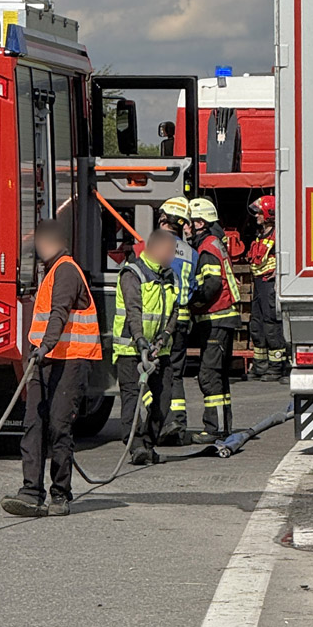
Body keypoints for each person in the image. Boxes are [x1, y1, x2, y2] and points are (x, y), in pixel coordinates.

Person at [1, 220, 102, 518]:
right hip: (44, 358)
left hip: (69, 359)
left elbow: (59, 311)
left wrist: (46, 344)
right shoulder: (49, 272)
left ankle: (60, 493)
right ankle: (31, 491)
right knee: (33, 423)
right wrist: (37, 352)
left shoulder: (67, 271)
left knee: (59, 425)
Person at [112, 229, 178, 465]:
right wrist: (140, 339)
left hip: (160, 349)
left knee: (163, 399)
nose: (172, 256)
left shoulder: (169, 276)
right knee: (132, 399)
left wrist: (166, 335)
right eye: (169, 251)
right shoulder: (133, 274)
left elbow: (174, 310)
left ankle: (149, 443)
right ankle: (136, 445)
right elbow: (133, 310)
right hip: (130, 349)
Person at [188, 197, 241, 443]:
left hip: (216, 319)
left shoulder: (207, 248)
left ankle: (214, 429)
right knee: (218, 376)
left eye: (191, 222)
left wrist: (193, 304)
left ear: (202, 223)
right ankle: (222, 427)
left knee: (208, 376)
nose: (188, 227)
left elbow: (211, 286)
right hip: (222, 320)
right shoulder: (214, 243)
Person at [156, 197, 197, 446]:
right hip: (183, 319)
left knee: (160, 373)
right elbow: (193, 285)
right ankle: (178, 424)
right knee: (177, 374)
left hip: (162, 320)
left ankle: (161, 422)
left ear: (164, 220)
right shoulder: (191, 252)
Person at [247, 195, 287, 381]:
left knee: (271, 324)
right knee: (257, 323)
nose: (256, 217)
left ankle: (276, 367)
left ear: (269, 214)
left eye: (259, 213)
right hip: (259, 283)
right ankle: (260, 365)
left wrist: (279, 271)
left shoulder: (279, 235)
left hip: (270, 284)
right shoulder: (260, 234)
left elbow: (288, 257)